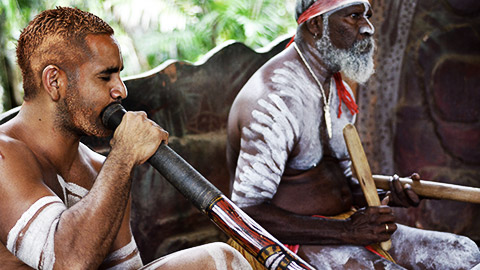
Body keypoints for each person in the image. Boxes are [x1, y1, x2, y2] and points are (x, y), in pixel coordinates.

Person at [226, 0, 480, 269]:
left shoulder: (334, 87)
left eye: (367, 16)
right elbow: (246, 216)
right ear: (316, 24)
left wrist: (390, 194)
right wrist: (348, 231)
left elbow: (341, 184)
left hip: (342, 226)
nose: (368, 28)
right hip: (279, 242)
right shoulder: (275, 99)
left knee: (465, 253)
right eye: (355, 16)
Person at [0, 7, 252, 270]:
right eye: (105, 76)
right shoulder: (4, 156)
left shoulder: (101, 170)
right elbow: (68, 264)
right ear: (54, 81)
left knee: (222, 260)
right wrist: (123, 157)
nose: (121, 89)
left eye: (119, 75)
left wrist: (120, 163)